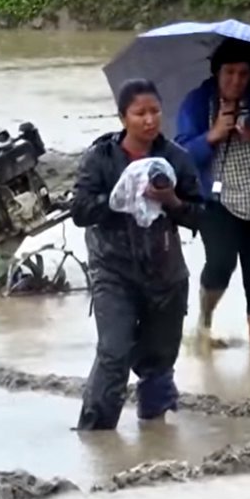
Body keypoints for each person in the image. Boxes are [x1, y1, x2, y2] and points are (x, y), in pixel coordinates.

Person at [70, 78, 204, 430]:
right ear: (122, 117)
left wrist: (171, 201)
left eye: (155, 111)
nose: (149, 120)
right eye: (139, 113)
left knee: (158, 360)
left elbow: (200, 213)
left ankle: (155, 433)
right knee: (114, 351)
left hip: (165, 269)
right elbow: (80, 211)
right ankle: (96, 434)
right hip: (112, 267)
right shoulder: (100, 158)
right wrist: (121, 201)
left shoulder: (177, 158)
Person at [175, 38, 250, 347]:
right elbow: (181, 154)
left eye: (244, 74)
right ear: (216, 72)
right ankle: (204, 321)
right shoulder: (198, 101)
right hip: (217, 201)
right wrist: (212, 135)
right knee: (220, 264)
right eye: (229, 72)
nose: (236, 81)